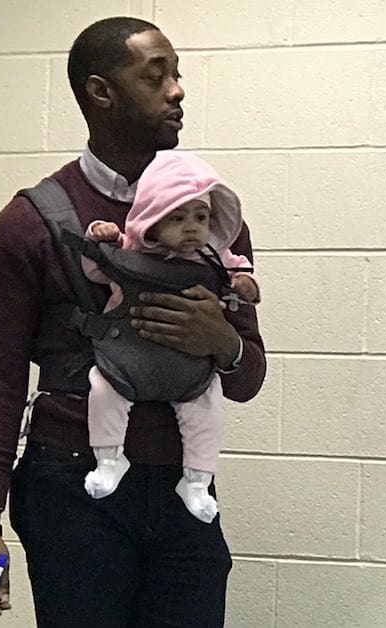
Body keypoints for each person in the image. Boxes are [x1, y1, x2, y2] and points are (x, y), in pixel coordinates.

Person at [0, 16, 266, 627]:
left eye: (177, 75)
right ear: (101, 92)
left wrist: (223, 342)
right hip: (70, 489)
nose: (178, 90)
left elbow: (248, 377)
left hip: (185, 489)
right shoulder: (29, 224)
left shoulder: (210, 222)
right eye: (157, 76)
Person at [81, 150, 261, 526]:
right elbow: (96, 268)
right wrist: (101, 235)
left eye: (201, 216)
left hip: (190, 373)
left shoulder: (215, 257)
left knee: (207, 406)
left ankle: (197, 480)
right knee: (102, 388)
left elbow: (239, 272)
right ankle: (109, 459)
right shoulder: (129, 251)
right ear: (152, 219)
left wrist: (245, 285)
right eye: (177, 218)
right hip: (129, 360)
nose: (192, 228)